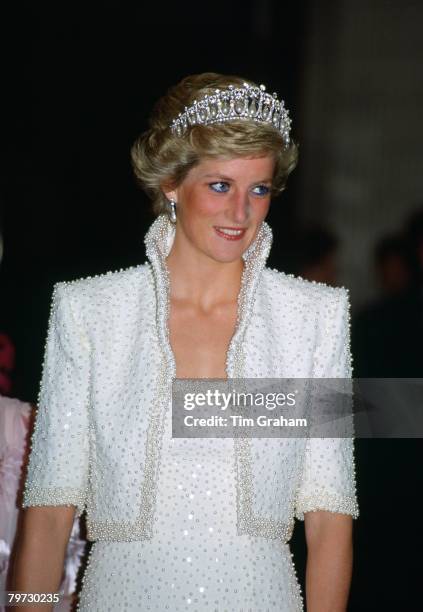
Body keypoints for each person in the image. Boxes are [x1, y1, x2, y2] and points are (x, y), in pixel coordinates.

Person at [11, 73, 358, 611]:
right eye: (220, 185)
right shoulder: (90, 312)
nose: (241, 212)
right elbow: (50, 510)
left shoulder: (313, 317)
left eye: (258, 189)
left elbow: (329, 517)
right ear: (171, 184)